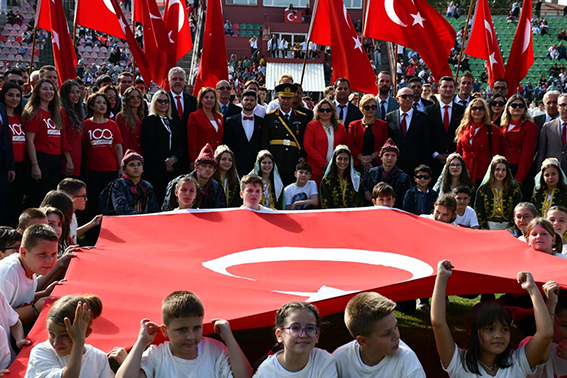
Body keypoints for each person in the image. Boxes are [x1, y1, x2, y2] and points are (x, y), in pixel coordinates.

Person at [431, 260, 553, 377]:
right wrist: (441, 278)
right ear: (471, 331)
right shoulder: (459, 363)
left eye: (504, 329)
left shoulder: (518, 363)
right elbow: (438, 323)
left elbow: (545, 334)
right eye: (490, 329)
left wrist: (532, 290)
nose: (498, 335)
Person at [116, 290, 252, 378]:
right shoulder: (156, 355)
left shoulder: (214, 350)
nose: (191, 337)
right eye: (182, 329)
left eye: (197, 327)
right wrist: (141, 342)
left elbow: (246, 376)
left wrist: (229, 338)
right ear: (165, 331)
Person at [333, 292, 426, 377]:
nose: (396, 336)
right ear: (363, 341)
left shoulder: (407, 360)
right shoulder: (340, 359)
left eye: (395, 326)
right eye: (387, 333)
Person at [25, 294, 114, 377]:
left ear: (86, 333)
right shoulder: (41, 352)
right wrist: (78, 342)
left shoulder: (99, 358)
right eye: (52, 334)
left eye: (64, 335)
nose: (56, 343)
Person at [254, 302, 337, 377]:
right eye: (295, 328)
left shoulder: (323, 360)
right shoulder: (265, 372)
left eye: (310, 328)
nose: (303, 335)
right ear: (279, 335)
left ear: (317, 336)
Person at [0, 224, 59, 324]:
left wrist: (44, 294)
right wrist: (34, 309)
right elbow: (2, 317)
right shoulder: (7, 273)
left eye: (54, 254)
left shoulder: (30, 266)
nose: (49, 260)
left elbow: (19, 301)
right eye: (42, 254)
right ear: (23, 252)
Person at [23, 78, 64, 207]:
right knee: (39, 197)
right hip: (41, 158)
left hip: (56, 159)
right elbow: (29, 141)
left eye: (51, 89)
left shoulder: (56, 113)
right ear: (37, 92)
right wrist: (35, 165)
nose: (49, 92)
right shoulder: (34, 112)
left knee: (52, 197)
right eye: (45, 89)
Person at [83, 92, 124, 218]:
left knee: (109, 203)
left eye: (104, 103)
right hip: (92, 170)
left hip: (111, 169)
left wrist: (121, 167)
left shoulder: (113, 124)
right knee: (94, 202)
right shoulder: (85, 124)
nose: (102, 105)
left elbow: (118, 146)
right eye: (99, 102)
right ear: (91, 106)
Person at [261, 83, 308, 186]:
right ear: (278, 98)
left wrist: (302, 155)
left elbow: (303, 140)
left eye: (289, 98)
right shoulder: (270, 117)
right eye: (283, 98)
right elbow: (265, 140)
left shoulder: (302, 118)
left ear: (293, 99)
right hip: (275, 158)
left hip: (293, 159)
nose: (286, 101)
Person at [142, 90, 184, 201]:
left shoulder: (174, 121)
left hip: (174, 166)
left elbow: (180, 143)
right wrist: (165, 160)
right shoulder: (149, 121)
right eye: (160, 101)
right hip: (156, 166)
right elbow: (151, 143)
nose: (163, 104)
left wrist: (174, 159)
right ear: (154, 102)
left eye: (166, 101)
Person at [162, 143, 227, 210]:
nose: (207, 169)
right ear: (196, 167)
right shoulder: (177, 183)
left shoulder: (217, 188)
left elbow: (220, 211)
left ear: (214, 170)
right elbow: (167, 210)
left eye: (210, 167)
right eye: (203, 166)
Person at [424, 76, 465, 179]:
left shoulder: (462, 111)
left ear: (455, 89)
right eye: (445, 86)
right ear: (438, 89)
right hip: (434, 160)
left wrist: (454, 154)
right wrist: (435, 154)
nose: (448, 89)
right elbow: (426, 135)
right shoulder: (429, 110)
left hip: (456, 160)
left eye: (451, 87)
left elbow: (463, 134)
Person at [456, 98, 503, 186]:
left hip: (483, 172)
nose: (477, 111)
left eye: (481, 108)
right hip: (465, 171)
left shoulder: (493, 130)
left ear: (485, 111)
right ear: (470, 110)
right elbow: (459, 152)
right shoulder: (462, 128)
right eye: (474, 108)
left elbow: (496, 154)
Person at [386, 87, 432, 176]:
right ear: (397, 99)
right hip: (395, 166)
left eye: (411, 97)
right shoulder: (389, 117)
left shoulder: (423, 117)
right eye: (404, 96)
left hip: (416, 166)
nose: (408, 99)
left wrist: (426, 166)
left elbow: (427, 143)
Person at [99, 150, 160, 215]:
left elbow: (154, 209)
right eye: (132, 165)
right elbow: (121, 208)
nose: (136, 167)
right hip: (122, 221)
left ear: (142, 169)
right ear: (124, 170)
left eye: (139, 164)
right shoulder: (118, 185)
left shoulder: (147, 186)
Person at [500, 95, 538, 193]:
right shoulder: (502, 126)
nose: (517, 107)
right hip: (503, 169)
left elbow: (527, 154)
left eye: (521, 105)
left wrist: (519, 178)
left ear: (525, 108)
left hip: (520, 170)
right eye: (514, 105)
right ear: (508, 108)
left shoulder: (530, 127)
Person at [304, 99, 347, 184]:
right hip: (316, 170)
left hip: (336, 169)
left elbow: (344, 146)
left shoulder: (341, 127)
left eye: (328, 110)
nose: (325, 112)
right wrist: (324, 164)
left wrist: (336, 164)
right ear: (318, 112)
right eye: (321, 110)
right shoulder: (311, 126)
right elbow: (308, 147)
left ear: (332, 112)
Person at [474, 156, 522, 230]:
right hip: (489, 226)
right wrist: (484, 228)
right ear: (492, 171)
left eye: (503, 170)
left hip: (508, 227)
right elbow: (479, 210)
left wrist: (512, 228)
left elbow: (518, 209)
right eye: (497, 169)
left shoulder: (514, 190)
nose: (500, 173)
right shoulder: (483, 190)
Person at [223, 89, 263, 176]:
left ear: (256, 102)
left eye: (252, 100)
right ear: (241, 101)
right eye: (246, 100)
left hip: (255, 166)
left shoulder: (261, 122)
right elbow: (227, 143)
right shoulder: (230, 121)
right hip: (235, 166)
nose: (249, 102)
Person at [362, 139, 410, 209]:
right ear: (381, 157)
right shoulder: (370, 173)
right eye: (387, 155)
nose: (390, 158)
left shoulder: (404, 178)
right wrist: (365, 191)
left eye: (393, 155)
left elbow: (405, 200)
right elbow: (362, 185)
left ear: (397, 158)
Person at [0, 83, 24, 226]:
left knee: (16, 203)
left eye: (17, 96)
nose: (14, 99)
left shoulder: (21, 117)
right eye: (10, 95)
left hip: (21, 165)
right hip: (6, 166)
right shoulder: (2, 117)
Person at [347, 94, 389, 173]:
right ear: (361, 108)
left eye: (373, 107)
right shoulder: (353, 125)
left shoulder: (383, 124)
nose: (370, 109)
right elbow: (350, 144)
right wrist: (362, 158)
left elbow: (384, 144)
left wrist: (372, 157)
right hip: (357, 163)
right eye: (367, 107)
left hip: (377, 163)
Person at [57, 178, 102, 245]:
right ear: (71, 198)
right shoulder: (58, 219)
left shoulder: (72, 214)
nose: (86, 199)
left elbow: (73, 234)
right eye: (83, 196)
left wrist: (92, 223)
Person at [188, 87, 224, 163]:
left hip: (218, 158)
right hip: (203, 158)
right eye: (206, 97)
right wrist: (193, 160)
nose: (209, 100)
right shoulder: (194, 116)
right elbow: (192, 142)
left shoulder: (220, 117)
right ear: (201, 100)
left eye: (212, 97)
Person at [320, 144, 363, 209]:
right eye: (340, 159)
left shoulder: (356, 179)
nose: (343, 162)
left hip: (353, 215)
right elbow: (326, 203)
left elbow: (359, 200)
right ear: (334, 160)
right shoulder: (326, 181)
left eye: (346, 159)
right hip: (333, 216)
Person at [59, 80, 84, 179]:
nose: (76, 95)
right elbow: (63, 138)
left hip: (78, 156)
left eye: (77, 92)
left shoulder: (77, 113)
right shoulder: (62, 112)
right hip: (68, 159)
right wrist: (69, 160)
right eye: (72, 92)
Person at [537, 93, 567, 175]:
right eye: (562, 105)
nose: (565, 108)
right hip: (552, 175)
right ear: (558, 107)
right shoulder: (547, 127)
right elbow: (541, 153)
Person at [167, 67, 197, 133]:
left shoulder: (193, 100)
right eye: (174, 79)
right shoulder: (163, 99)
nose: (178, 81)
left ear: (184, 82)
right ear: (169, 82)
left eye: (181, 79)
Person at [117, 86, 145, 155]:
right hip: (130, 156)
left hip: (142, 155)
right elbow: (124, 141)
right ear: (127, 99)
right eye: (132, 97)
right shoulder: (121, 116)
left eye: (138, 97)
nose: (136, 99)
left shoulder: (142, 115)